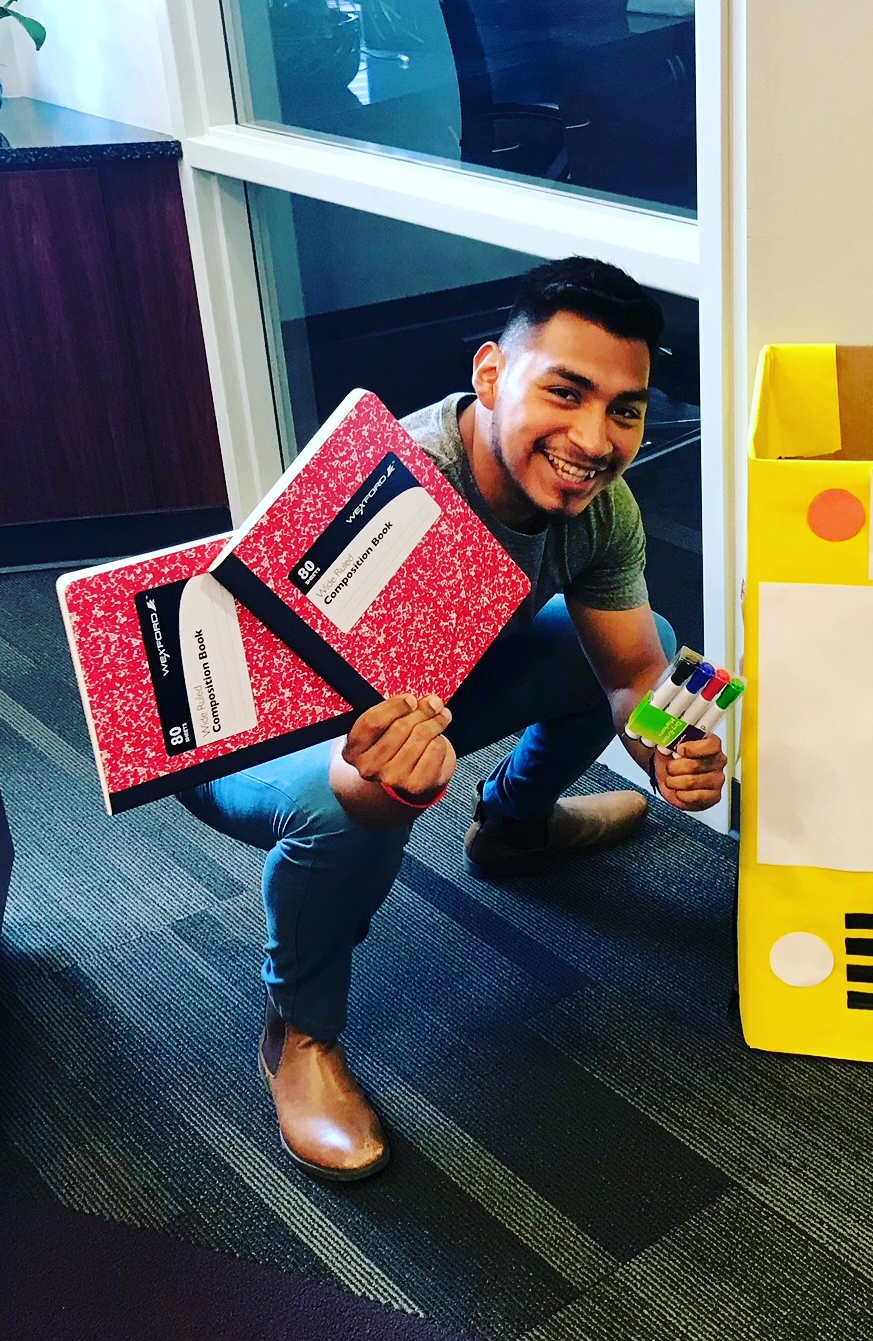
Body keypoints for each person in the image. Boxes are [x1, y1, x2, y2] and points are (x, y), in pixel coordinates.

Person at [179, 257, 727, 1182]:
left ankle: (512, 827)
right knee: (343, 804)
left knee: (653, 634)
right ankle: (299, 1033)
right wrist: (389, 782)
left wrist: (672, 747)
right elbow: (343, 751)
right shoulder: (388, 485)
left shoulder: (600, 510)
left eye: (625, 409)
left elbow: (634, 675)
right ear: (489, 374)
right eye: (566, 392)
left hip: (424, 698)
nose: (596, 438)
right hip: (258, 734)